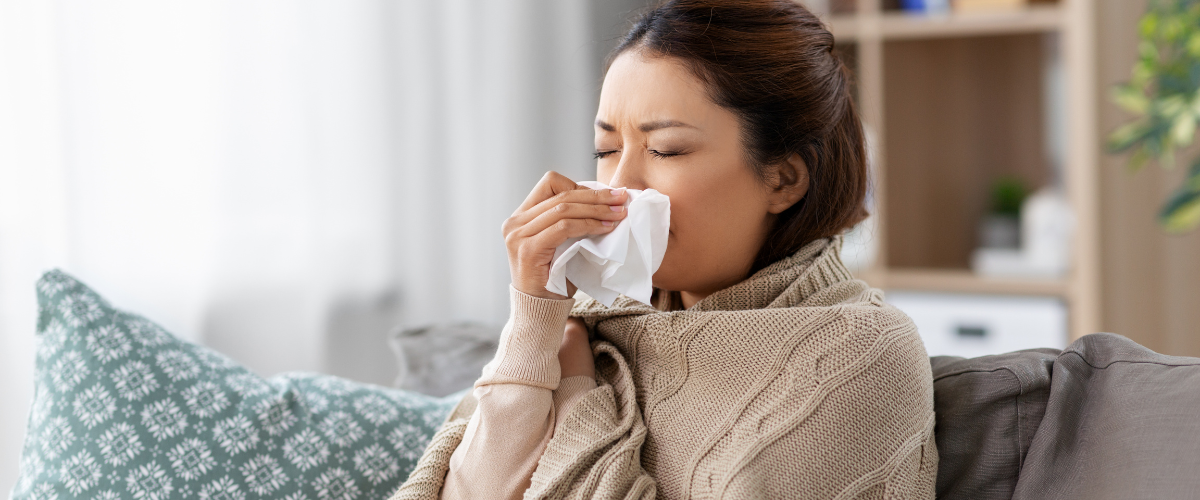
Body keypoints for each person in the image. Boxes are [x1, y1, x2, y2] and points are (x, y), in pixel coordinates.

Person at [392, 1, 937, 499]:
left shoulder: (858, 354)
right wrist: (532, 323)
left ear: (783, 178)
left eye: (665, 149)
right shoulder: (585, 324)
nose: (621, 185)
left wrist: (580, 395)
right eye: (605, 149)